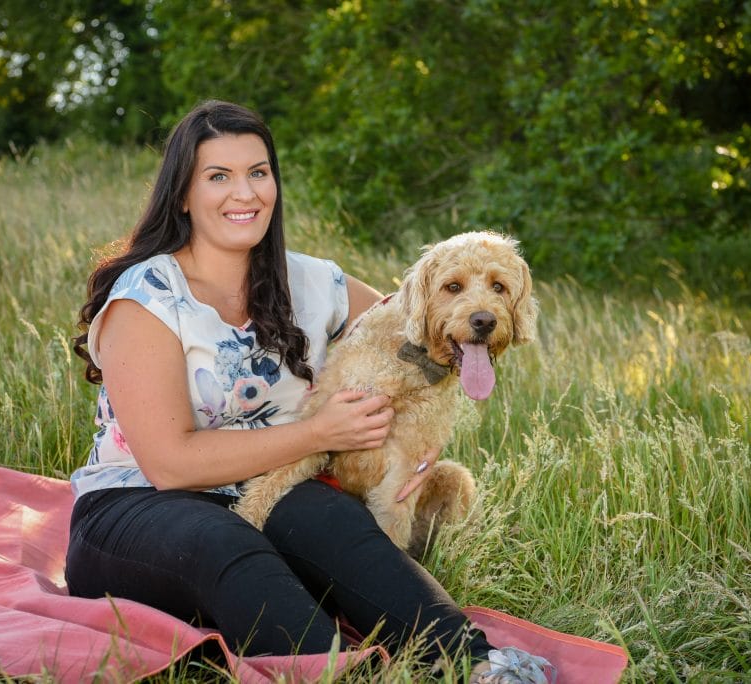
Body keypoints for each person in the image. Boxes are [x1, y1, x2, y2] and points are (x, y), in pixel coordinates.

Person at [65, 100, 554, 683]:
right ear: (182, 194)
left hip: (266, 484)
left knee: (343, 531)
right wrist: (318, 433)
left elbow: (418, 332)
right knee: (228, 544)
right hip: (134, 507)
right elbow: (170, 464)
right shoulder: (145, 299)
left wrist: (417, 441)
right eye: (217, 176)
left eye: (258, 172)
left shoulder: (312, 280)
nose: (243, 193)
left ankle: (481, 667)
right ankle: (337, 673)